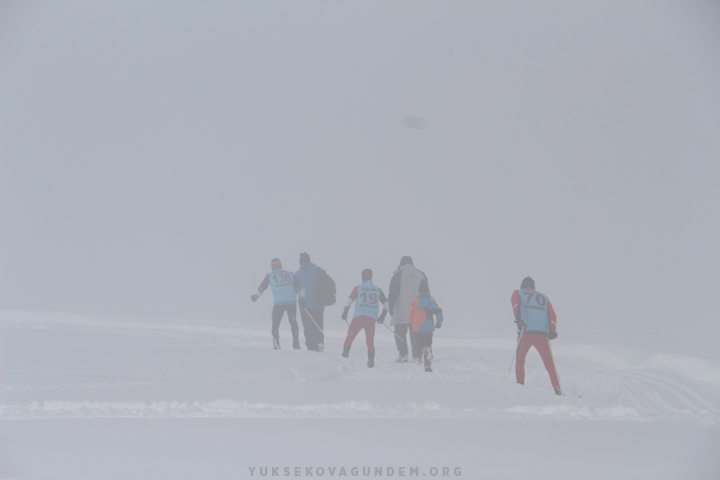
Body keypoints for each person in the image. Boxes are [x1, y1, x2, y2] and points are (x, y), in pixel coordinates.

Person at [511, 276, 561, 395]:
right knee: (549, 364)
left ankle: (520, 387)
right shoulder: (544, 298)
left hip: (525, 332)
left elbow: (515, 304)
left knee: (520, 360)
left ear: (523, 285)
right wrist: (552, 331)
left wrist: (518, 318)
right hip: (541, 335)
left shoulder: (518, 292)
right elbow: (552, 315)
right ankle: (558, 389)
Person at [251, 258, 305, 350]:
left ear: (272, 266)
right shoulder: (290, 274)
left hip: (279, 303)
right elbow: (300, 287)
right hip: (291, 302)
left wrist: (255, 297)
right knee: (293, 322)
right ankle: (296, 343)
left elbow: (262, 287)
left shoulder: (270, 275)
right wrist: (303, 299)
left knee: (275, 324)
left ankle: (276, 344)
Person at [341, 269, 389, 368]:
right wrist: (382, 317)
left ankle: (345, 356)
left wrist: (345, 313)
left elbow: (349, 301)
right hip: (371, 318)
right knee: (370, 341)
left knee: (350, 336)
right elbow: (386, 304)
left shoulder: (358, 288)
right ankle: (370, 360)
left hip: (358, 316)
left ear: (362, 277)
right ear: (371, 277)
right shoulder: (377, 289)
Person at [388, 256, 427, 363]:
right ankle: (417, 356)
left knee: (400, 333)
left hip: (401, 309)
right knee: (416, 333)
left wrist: (390, 305)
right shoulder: (421, 274)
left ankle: (403, 354)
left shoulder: (398, 274)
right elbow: (426, 292)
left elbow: (393, 292)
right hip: (418, 309)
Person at [294, 252, 328, 352]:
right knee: (319, 324)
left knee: (308, 327)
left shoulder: (298, 274)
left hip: (305, 305)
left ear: (301, 261)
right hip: (319, 303)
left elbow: (294, 290)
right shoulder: (319, 270)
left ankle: (311, 347)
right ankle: (320, 343)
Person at [408, 280, 443, 372]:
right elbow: (439, 312)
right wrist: (439, 322)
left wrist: (413, 324)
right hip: (428, 327)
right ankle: (428, 367)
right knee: (428, 344)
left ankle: (424, 350)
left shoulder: (414, 303)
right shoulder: (431, 303)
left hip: (417, 328)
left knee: (420, 345)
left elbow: (410, 316)